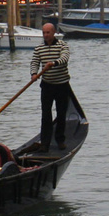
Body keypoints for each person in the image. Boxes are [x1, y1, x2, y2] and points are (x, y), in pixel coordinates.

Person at [30, 22, 77, 152]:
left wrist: (53, 63)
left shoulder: (63, 45)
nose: (45, 35)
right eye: (44, 33)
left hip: (62, 85)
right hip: (47, 86)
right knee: (46, 115)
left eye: (48, 32)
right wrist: (34, 74)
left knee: (61, 114)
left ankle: (60, 140)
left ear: (54, 32)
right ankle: (45, 143)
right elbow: (34, 62)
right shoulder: (39, 48)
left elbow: (64, 58)